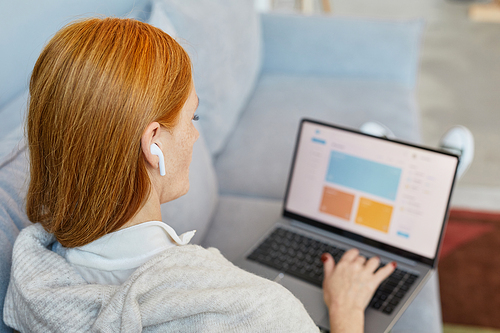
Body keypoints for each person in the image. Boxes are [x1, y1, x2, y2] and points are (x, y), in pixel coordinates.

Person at [3, 17, 395, 332]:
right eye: (192, 117)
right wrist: (346, 312)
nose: (194, 135)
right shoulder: (256, 311)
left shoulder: (36, 286)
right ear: (152, 143)